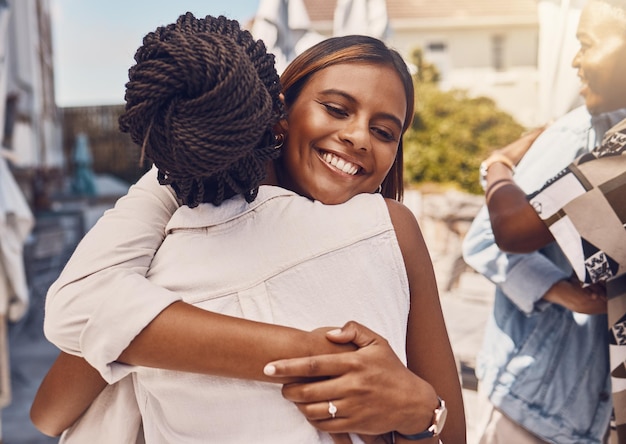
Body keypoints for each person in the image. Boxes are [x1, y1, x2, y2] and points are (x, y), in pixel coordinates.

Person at [36, 13, 465, 444]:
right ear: (280, 112)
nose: (358, 137)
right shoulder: (181, 203)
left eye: (385, 131)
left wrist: (417, 409)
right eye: (336, 109)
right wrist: (315, 356)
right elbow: (68, 354)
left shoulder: (387, 232)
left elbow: (50, 415)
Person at [463, 0, 626, 443]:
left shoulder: (611, 144)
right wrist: (562, 292)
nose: (575, 60)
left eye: (587, 45)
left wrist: (495, 164)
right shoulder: (579, 133)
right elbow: (490, 236)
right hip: (538, 401)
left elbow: (512, 229)